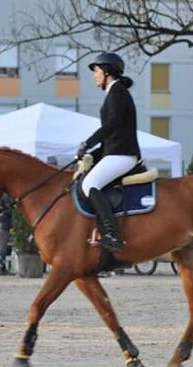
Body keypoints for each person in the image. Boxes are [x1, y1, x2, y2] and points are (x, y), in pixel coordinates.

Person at [77, 52, 141, 252]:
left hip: (123, 154)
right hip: (116, 152)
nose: (94, 76)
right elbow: (111, 137)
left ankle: (112, 234)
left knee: (89, 184)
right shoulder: (114, 92)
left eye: (96, 71)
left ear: (106, 72)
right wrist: (92, 154)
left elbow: (112, 125)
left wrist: (87, 143)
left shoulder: (117, 91)